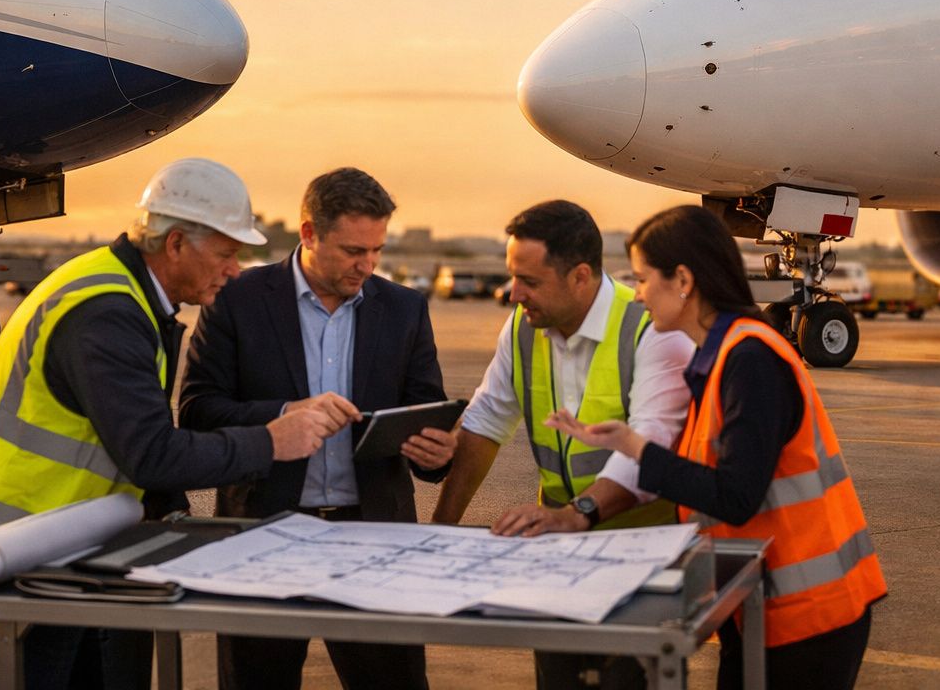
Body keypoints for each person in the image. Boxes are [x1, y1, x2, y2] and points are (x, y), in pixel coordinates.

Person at [0, 158, 335, 690]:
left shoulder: (122, 291)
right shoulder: (108, 314)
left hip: (53, 534)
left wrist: (173, 510)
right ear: (176, 244)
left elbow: (133, 437)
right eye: (226, 253)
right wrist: (270, 442)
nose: (235, 270)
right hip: (15, 542)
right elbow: (151, 453)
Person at [547, 205, 887, 690]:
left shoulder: (749, 360)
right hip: (764, 608)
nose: (638, 295)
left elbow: (735, 495)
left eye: (643, 279)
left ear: (683, 281)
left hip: (807, 619)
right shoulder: (725, 354)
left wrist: (639, 450)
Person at [179, 167, 456, 690]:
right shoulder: (237, 298)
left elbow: (426, 412)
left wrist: (438, 453)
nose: (367, 265)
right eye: (353, 251)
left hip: (373, 540)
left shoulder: (404, 309)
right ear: (309, 233)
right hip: (263, 534)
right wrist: (286, 414)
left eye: (376, 250)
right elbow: (197, 410)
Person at [432, 200, 695, 690]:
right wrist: (440, 533)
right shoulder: (522, 326)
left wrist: (578, 513)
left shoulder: (651, 328)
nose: (514, 294)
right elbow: (486, 422)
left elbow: (649, 449)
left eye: (529, 281)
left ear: (580, 277)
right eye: (513, 277)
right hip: (557, 549)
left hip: (641, 554)